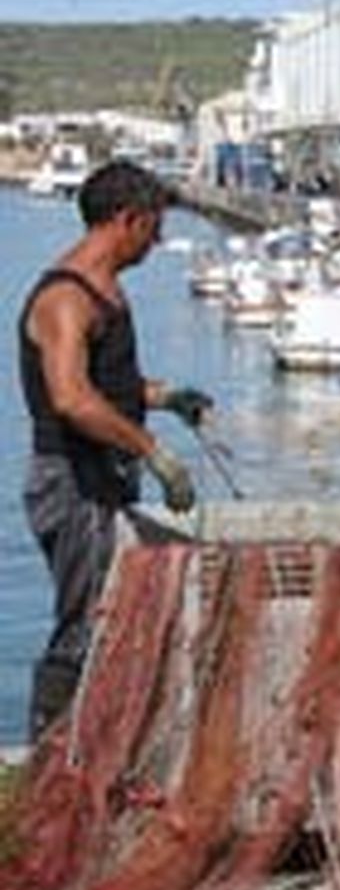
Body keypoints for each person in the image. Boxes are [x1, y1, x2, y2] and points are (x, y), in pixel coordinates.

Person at [18, 159, 211, 738]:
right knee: (84, 624)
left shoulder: (109, 293)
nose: (158, 243)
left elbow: (110, 390)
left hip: (107, 482)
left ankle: (110, 740)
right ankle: (51, 760)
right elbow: (73, 399)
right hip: (71, 486)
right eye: (153, 228)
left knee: (138, 600)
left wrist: (166, 396)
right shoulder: (66, 299)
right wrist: (153, 449)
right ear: (126, 219)